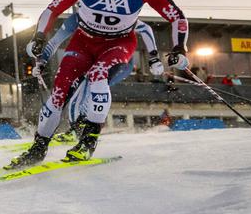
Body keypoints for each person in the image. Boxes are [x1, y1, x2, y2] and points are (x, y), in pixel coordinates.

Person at [8, 0, 188, 168]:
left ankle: (87, 142)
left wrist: (179, 48)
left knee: (98, 75)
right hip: (83, 42)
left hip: (118, 44)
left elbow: (177, 16)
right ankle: (38, 148)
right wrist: (39, 38)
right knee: (59, 92)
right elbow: (53, 9)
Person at [42, 13, 162, 141]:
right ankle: (77, 129)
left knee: (82, 95)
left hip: (118, 65)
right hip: (106, 66)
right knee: (78, 96)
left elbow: (145, 28)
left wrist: (154, 57)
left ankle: (79, 131)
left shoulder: (115, 18)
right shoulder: (89, 20)